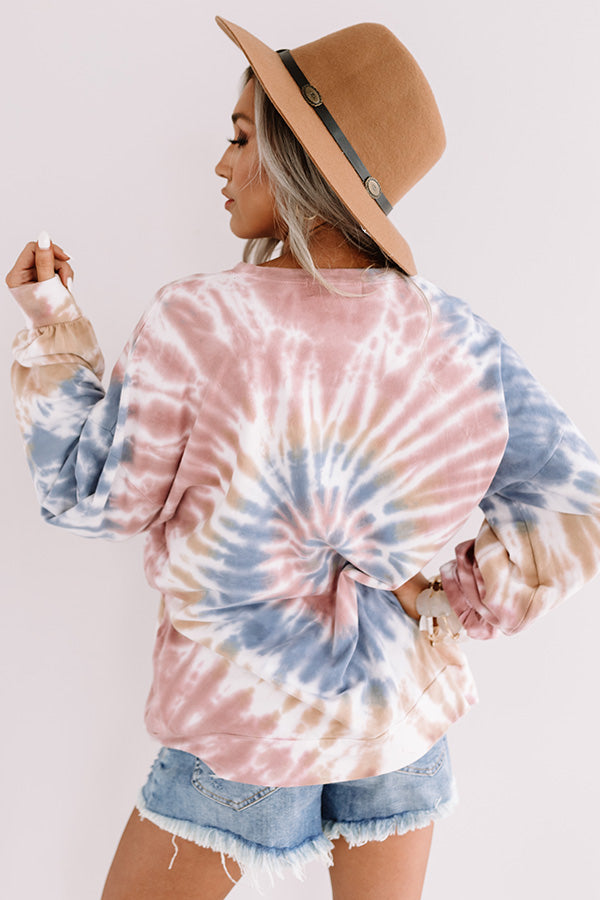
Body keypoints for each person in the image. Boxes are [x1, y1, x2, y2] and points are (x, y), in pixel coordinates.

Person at [6, 15, 600, 900]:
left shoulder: (199, 321)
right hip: (400, 719)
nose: (220, 163)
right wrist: (449, 598)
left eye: (241, 137)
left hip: (248, 719)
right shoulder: (456, 335)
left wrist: (53, 325)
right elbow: (574, 506)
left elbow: (91, 496)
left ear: (298, 160)